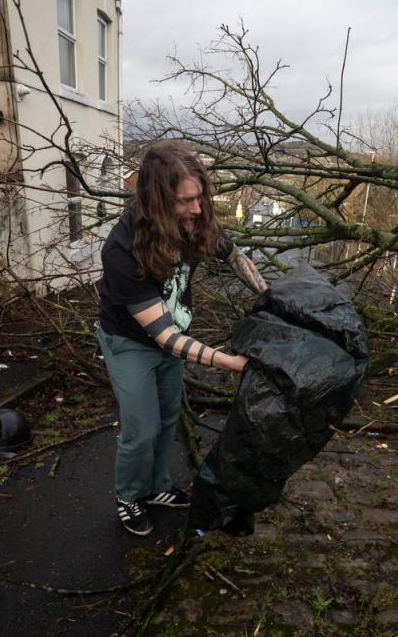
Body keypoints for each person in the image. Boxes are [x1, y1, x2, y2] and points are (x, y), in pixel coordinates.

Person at [96, 140, 268, 536]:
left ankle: (156, 488)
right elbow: (165, 338)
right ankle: (128, 495)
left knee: (168, 418)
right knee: (141, 429)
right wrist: (231, 363)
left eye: (200, 197)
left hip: (171, 335)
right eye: (186, 200)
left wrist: (266, 291)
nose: (197, 208)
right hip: (131, 343)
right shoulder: (122, 250)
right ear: (157, 202)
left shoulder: (193, 220)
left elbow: (231, 254)